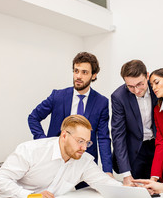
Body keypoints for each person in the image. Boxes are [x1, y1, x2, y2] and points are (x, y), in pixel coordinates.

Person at [0, 115, 121, 198]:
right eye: (80, 141)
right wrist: (31, 197)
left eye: (87, 142)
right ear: (64, 135)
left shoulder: (84, 160)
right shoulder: (32, 150)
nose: (84, 147)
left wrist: (135, 191)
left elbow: (105, 183)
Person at [28, 52, 113, 181]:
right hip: (55, 162)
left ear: (93, 75)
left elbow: (103, 138)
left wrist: (107, 170)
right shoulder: (57, 96)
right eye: (76, 71)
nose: (78, 76)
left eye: (84, 72)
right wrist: (45, 142)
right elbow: (33, 117)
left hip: (84, 163)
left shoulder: (101, 102)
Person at [111, 60, 157, 185]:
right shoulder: (119, 97)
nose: (136, 90)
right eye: (130, 86)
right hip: (134, 151)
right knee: (135, 192)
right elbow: (118, 135)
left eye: (140, 84)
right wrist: (126, 174)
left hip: (157, 147)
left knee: (157, 190)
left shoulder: (157, 90)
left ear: (147, 76)